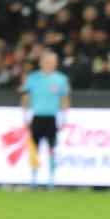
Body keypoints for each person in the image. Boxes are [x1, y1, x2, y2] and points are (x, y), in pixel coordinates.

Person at [20, 50, 71, 188]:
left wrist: (63, 116)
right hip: (37, 117)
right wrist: (25, 115)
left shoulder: (61, 79)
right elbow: (25, 97)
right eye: (48, 61)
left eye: (53, 62)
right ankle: (34, 178)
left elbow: (64, 99)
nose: (50, 64)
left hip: (52, 117)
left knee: (52, 149)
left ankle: (51, 179)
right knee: (34, 149)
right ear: (41, 62)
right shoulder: (32, 78)